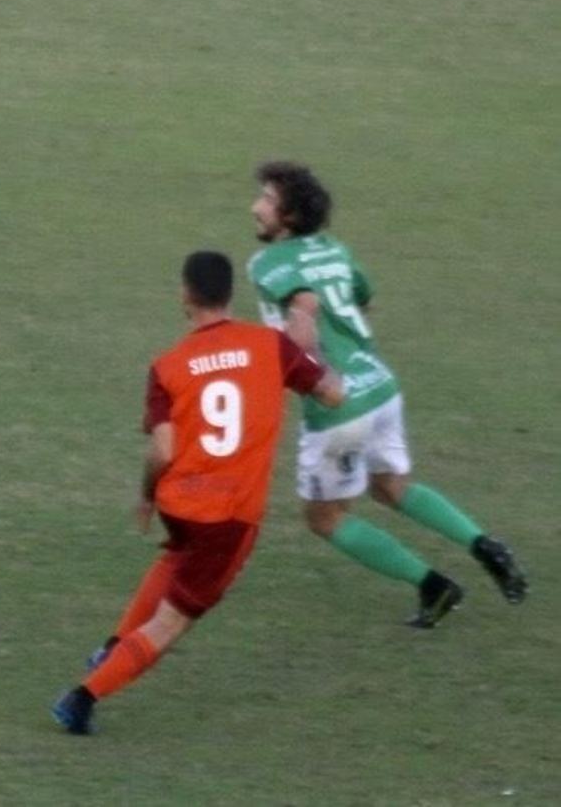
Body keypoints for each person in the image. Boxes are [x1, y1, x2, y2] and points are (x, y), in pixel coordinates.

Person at [53, 252, 343, 734]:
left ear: (185, 296)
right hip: (229, 516)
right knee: (169, 625)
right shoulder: (269, 345)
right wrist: (310, 349)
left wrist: (147, 495)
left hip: (180, 503)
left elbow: (162, 450)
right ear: (230, 294)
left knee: (174, 558)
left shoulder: (167, 366)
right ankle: (82, 698)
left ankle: (112, 646)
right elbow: (333, 394)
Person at [249, 162, 526, 627]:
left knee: (325, 517)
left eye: (267, 201)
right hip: (380, 386)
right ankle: (485, 545)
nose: (256, 208)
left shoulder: (267, 263)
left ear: (290, 217)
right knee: (392, 485)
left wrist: (304, 368)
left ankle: (432, 585)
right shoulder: (334, 249)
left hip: (338, 404)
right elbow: (364, 298)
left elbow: (306, 306)